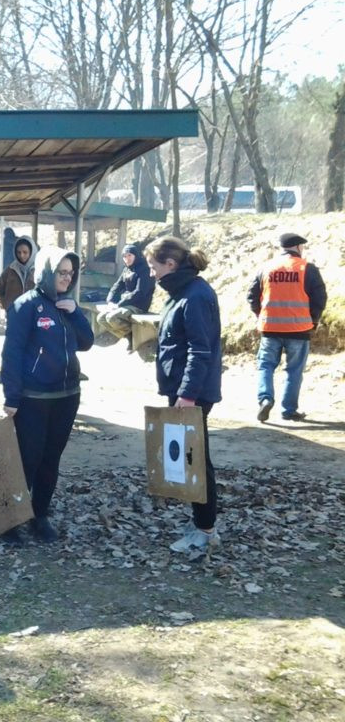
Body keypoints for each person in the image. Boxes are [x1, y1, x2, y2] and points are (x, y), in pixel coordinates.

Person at [0, 247, 94, 544]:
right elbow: (11, 354)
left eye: (70, 273)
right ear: (47, 272)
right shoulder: (25, 306)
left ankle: (40, 516)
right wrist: (12, 396)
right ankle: (10, 521)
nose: (66, 278)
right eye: (61, 272)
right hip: (33, 398)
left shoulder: (68, 305)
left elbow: (87, 342)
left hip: (66, 395)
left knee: (50, 460)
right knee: (28, 459)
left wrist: (76, 312)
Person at [145, 236, 222, 553]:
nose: (151, 274)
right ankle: (201, 523)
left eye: (153, 267)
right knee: (193, 460)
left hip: (192, 394)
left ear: (170, 265)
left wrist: (187, 395)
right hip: (183, 391)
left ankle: (205, 531)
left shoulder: (194, 296)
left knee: (197, 462)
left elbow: (200, 350)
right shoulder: (183, 292)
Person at [247, 232, 326, 422]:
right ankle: (288, 410)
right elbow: (320, 298)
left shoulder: (266, 268)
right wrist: (313, 320)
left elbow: (252, 296)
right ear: (298, 247)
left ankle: (265, 399)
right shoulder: (307, 268)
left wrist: (261, 315)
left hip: (269, 329)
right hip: (299, 329)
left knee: (265, 366)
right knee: (294, 370)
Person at [97, 244, 156, 344]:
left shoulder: (144, 269)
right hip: (125, 303)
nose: (127, 259)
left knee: (112, 317)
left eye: (129, 255)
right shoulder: (127, 269)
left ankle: (133, 338)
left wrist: (119, 304)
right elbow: (117, 286)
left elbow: (140, 292)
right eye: (124, 256)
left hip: (138, 305)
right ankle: (129, 335)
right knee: (101, 318)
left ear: (135, 255)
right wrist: (110, 301)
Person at [0, 235, 38, 312]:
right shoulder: (10, 270)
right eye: (19, 252)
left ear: (31, 252)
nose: (21, 255)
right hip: (13, 314)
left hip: (34, 314)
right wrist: (5, 304)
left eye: (25, 252)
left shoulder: (39, 270)